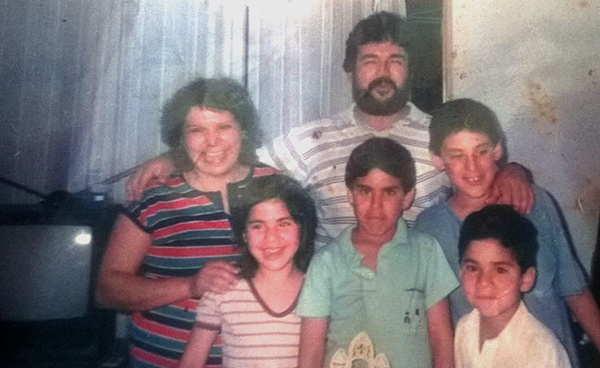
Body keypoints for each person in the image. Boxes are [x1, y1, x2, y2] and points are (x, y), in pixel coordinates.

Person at [126, 12, 534, 248]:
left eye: (395, 60)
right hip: (334, 305)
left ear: (410, 70)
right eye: (370, 60)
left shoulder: (439, 136)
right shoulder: (312, 139)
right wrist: (174, 157)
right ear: (350, 69)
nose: (383, 72)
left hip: (418, 306)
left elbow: (479, 173)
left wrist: (515, 171)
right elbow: (233, 159)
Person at [95, 77, 278, 368]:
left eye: (224, 126)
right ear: (181, 137)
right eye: (197, 130)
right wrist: (190, 285)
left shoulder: (275, 187)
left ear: (242, 130)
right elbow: (107, 290)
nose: (212, 141)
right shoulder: (154, 197)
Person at [414, 98, 600, 368]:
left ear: (498, 150)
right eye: (457, 155)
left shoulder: (535, 202)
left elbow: (574, 290)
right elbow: (438, 334)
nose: (472, 167)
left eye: (481, 151)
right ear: (437, 159)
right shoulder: (430, 229)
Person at [295, 137, 459, 368]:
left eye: (389, 192)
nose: (375, 205)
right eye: (365, 191)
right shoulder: (326, 262)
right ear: (350, 194)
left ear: (407, 197)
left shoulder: (426, 252)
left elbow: (442, 343)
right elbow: (310, 355)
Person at [172, 174, 317, 368]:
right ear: (244, 234)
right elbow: (191, 366)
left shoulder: (317, 289)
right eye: (258, 226)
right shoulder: (224, 288)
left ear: (302, 229)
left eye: (284, 224)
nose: (271, 238)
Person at [455, 205, 580, 368]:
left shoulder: (542, 354)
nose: (483, 282)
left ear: (526, 279)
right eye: (473, 268)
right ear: (460, 271)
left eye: (500, 270)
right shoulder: (463, 329)